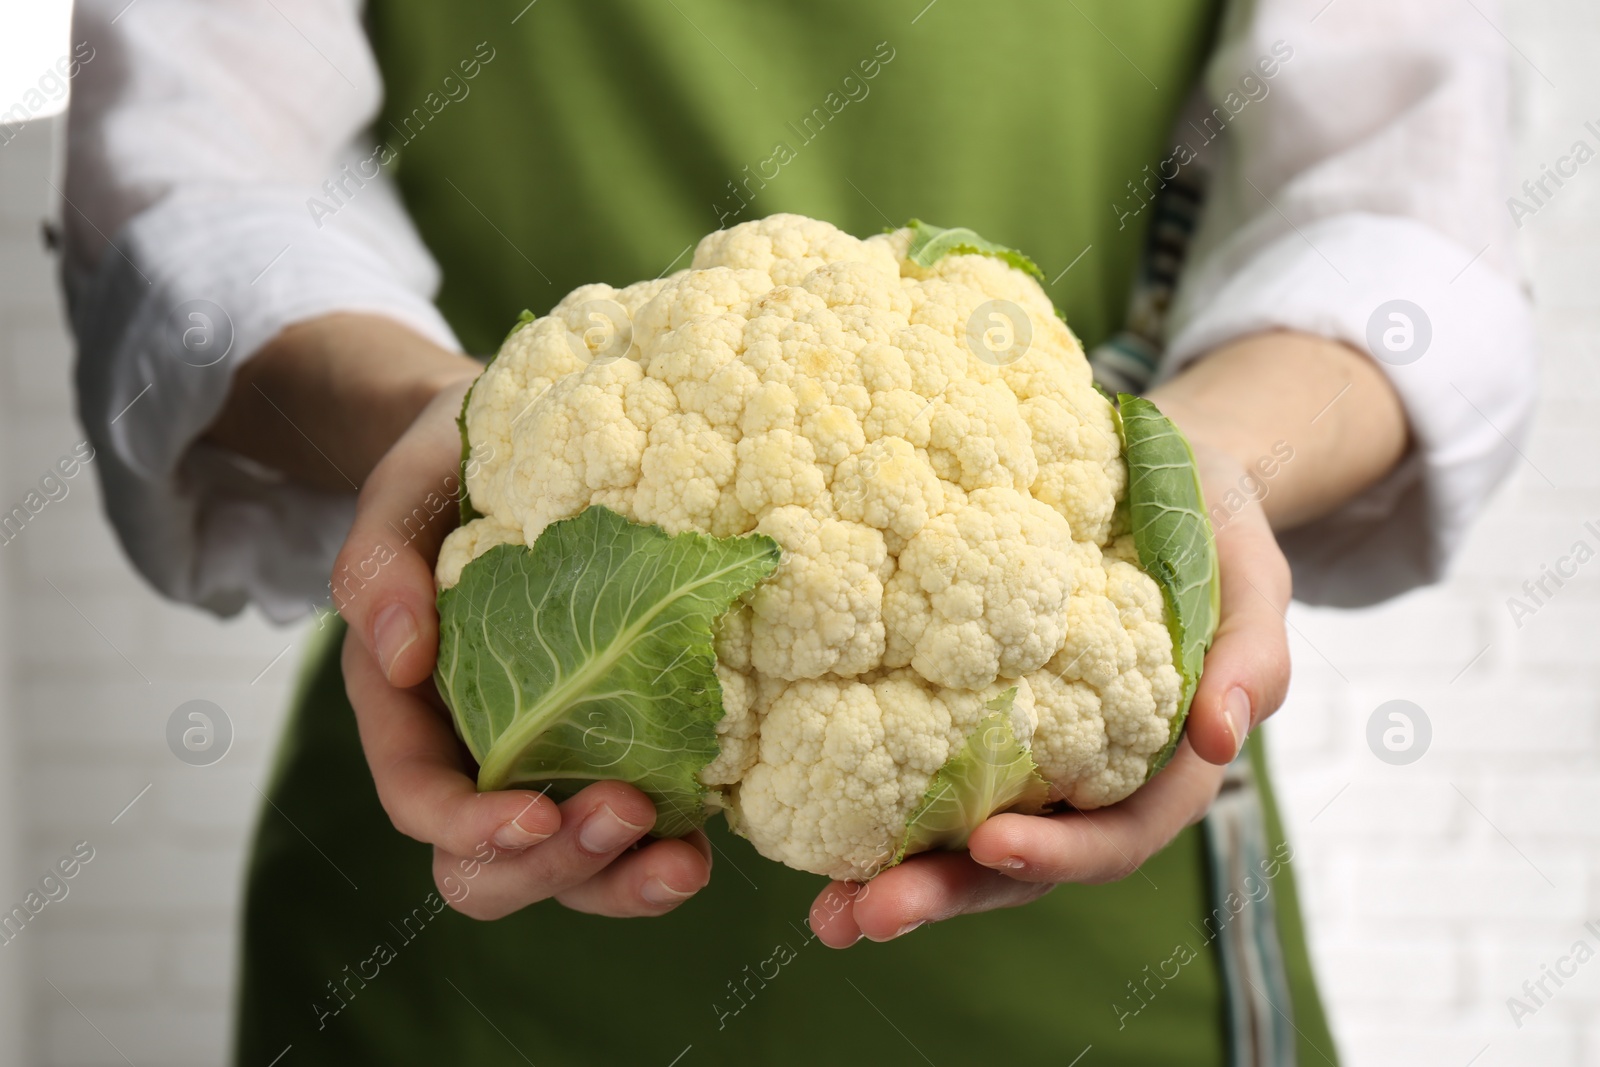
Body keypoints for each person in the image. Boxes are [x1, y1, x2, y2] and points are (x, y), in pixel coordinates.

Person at [61, 0, 1533, 1063]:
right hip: (457, 865)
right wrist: (429, 421)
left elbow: (1409, 217)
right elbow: (189, 178)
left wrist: (1198, 462)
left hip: (1086, 937)